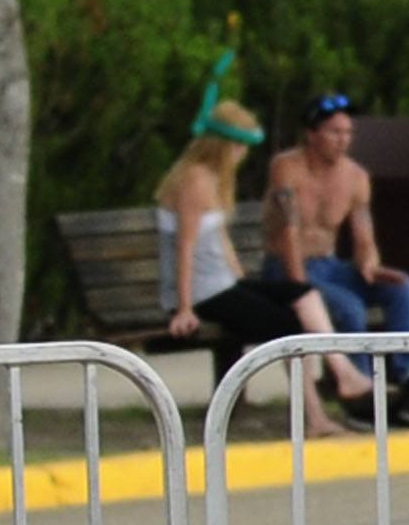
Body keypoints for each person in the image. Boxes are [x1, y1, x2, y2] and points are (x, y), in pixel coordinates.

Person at [158, 99, 374, 437]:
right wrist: (184, 308)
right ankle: (314, 417)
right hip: (203, 294)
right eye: (239, 145)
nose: (242, 153)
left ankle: (342, 370)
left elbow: (219, 239)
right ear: (221, 145)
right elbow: (184, 249)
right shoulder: (195, 181)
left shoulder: (213, 179)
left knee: (302, 293)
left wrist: (242, 280)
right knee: (291, 327)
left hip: (224, 284)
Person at [263, 93, 409, 427]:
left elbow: (363, 234)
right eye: (334, 132)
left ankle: (408, 376)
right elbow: (288, 232)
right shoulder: (287, 168)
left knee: (401, 288)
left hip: (330, 265)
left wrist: (370, 264)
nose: (343, 141)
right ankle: (358, 392)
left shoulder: (355, 176)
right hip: (287, 266)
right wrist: (299, 287)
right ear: (312, 134)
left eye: (347, 133)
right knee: (349, 306)